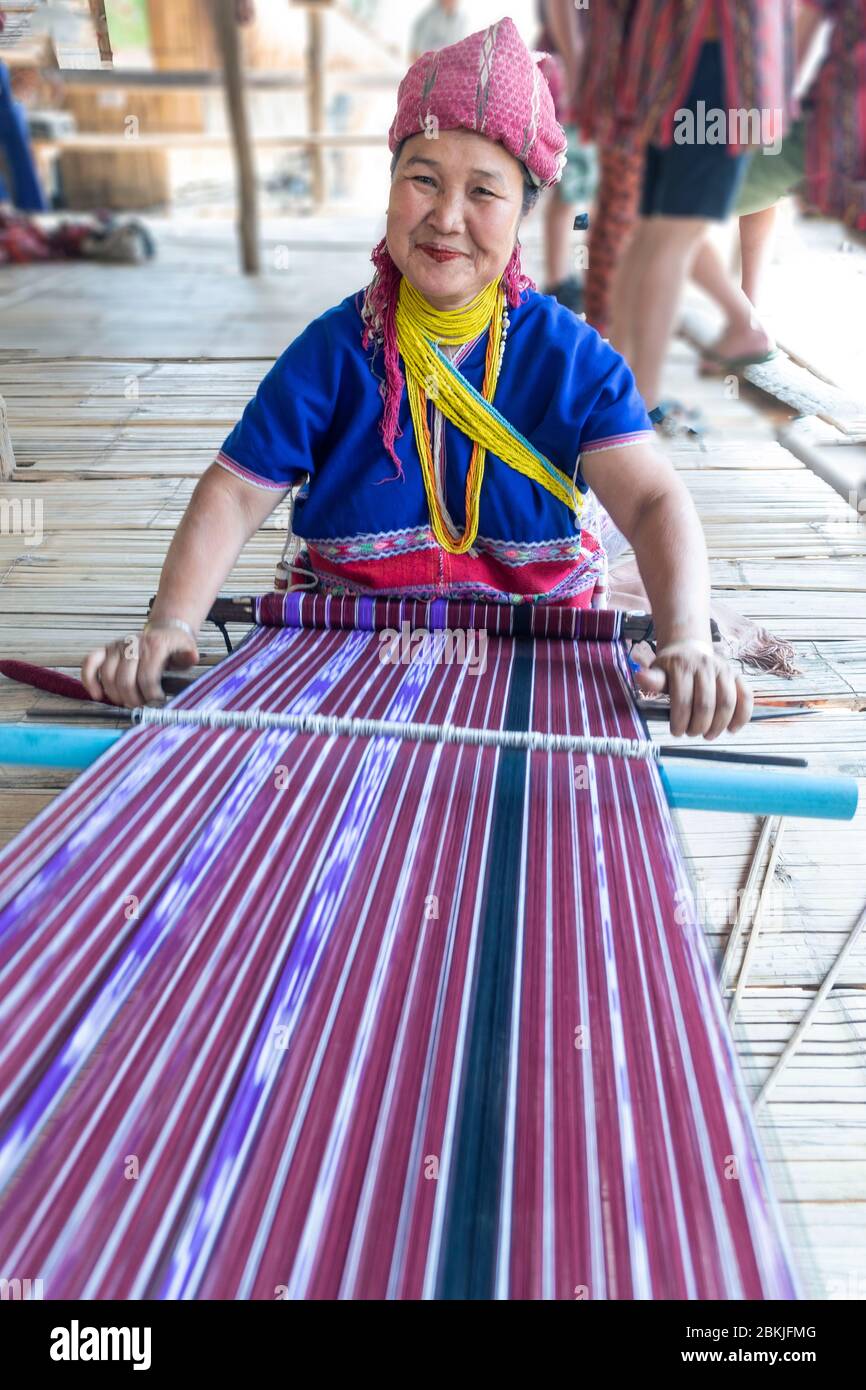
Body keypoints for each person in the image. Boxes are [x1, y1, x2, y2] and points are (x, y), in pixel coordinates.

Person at [82, 18, 752, 740]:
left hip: (535, 667)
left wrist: (686, 639)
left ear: (525, 211)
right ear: (392, 185)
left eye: (484, 193)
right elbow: (236, 492)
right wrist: (170, 624)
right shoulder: (334, 353)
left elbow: (653, 499)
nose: (446, 218)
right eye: (423, 179)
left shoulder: (571, 361)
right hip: (346, 652)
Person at [608, 0, 798, 415]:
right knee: (674, 237)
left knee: (651, 232)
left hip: (662, 59)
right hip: (717, 62)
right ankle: (639, 402)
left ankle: (615, 389)